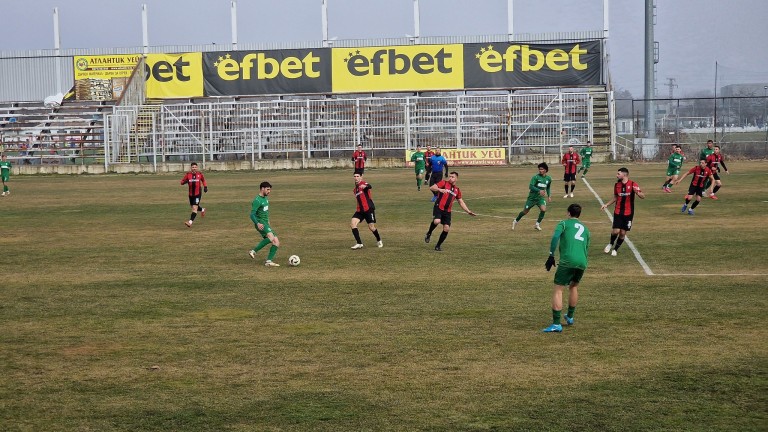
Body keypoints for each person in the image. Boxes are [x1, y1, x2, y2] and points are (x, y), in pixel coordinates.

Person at [542, 203, 590, 333]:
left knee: (558, 289)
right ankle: (570, 316)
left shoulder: (563, 223)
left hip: (568, 261)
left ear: (568, 213)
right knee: (573, 286)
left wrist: (551, 255)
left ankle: (557, 324)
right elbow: (586, 247)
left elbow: (556, 237)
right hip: (582, 261)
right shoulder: (585, 229)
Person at [424, 171, 476, 251]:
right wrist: (439, 189)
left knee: (446, 228)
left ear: (456, 179)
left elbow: (461, 202)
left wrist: (468, 211)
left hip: (447, 211)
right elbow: (431, 187)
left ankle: (438, 246)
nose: (450, 178)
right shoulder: (444, 183)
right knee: (437, 221)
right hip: (439, 207)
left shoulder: (457, 190)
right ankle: (429, 233)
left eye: (452, 177)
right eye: (450, 176)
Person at [600, 167, 645, 256]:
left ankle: (615, 249)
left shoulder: (633, 184)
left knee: (623, 233)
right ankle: (611, 243)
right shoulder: (617, 185)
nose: (617, 175)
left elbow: (643, 196)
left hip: (629, 213)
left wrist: (638, 193)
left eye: (618, 174)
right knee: (616, 231)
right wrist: (607, 204)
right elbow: (616, 197)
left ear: (624, 175)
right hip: (618, 211)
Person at [512, 162, 552, 231]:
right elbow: (530, 186)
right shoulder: (535, 177)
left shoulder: (548, 178)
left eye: (542, 169)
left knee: (543, 209)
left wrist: (549, 196)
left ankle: (537, 224)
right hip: (532, 198)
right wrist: (539, 190)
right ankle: (515, 221)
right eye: (539, 169)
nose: (540, 170)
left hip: (540, 198)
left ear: (545, 170)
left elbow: (548, 187)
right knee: (525, 212)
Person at [248, 181, 281, 266]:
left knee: (276, 242)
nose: (269, 191)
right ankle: (253, 251)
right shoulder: (257, 200)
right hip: (260, 223)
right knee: (271, 237)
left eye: (270, 190)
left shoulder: (265, 199)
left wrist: (268, 221)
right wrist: (258, 223)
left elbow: (265, 211)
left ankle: (269, 261)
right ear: (262, 189)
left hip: (265, 222)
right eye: (268, 189)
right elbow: (252, 215)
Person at [350, 173, 383, 249]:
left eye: (358, 176)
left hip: (368, 209)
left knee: (371, 227)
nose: (356, 178)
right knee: (353, 224)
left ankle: (379, 240)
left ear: (361, 177)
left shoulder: (363, 184)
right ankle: (359, 243)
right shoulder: (355, 190)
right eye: (354, 176)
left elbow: (369, 186)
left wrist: (365, 186)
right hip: (360, 211)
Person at [180, 162, 207, 227]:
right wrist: (185, 182)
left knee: (194, 208)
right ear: (191, 168)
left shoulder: (200, 174)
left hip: (198, 194)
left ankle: (190, 222)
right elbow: (181, 182)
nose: (194, 168)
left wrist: (205, 187)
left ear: (197, 167)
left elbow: (203, 180)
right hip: (191, 194)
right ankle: (203, 209)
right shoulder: (188, 175)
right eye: (193, 167)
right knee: (194, 207)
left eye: (195, 167)